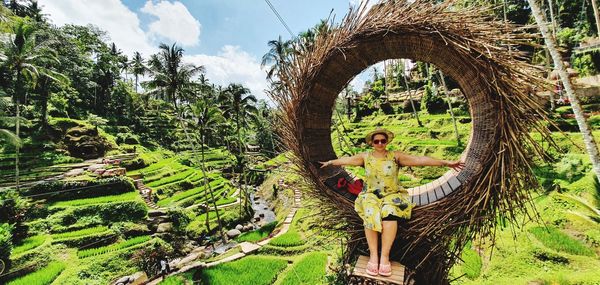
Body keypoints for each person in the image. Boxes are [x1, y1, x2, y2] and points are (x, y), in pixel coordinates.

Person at [320, 128, 464, 277]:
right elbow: (347, 160)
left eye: (383, 140)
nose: (380, 143)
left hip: (392, 194)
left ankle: (384, 257)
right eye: (377, 141)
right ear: (372, 143)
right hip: (371, 195)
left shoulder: (395, 156)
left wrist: (446, 163)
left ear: (387, 142)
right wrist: (330, 162)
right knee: (370, 213)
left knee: (390, 214)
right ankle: (374, 256)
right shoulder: (365, 157)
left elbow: (419, 160)